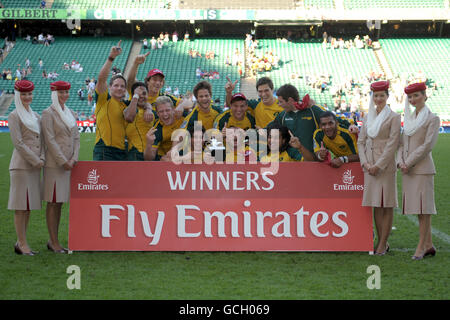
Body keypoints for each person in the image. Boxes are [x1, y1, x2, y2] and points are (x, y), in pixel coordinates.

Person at [357, 80, 401, 255]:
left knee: (386, 204)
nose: (379, 98)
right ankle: (381, 242)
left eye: (382, 95)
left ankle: (383, 243)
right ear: (372, 97)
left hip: (385, 167)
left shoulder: (394, 117)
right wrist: (366, 163)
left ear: (387, 97)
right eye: (376, 95)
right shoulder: (368, 117)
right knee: (376, 204)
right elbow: (361, 142)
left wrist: (378, 165)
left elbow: (393, 144)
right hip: (369, 166)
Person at [398, 82, 440, 260]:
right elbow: (401, 144)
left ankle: (421, 247)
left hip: (422, 169)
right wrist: (400, 161)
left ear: (425, 96)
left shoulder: (432, 118)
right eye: (410, 97)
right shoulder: (408, 119)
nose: (413, 99)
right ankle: (429, 244)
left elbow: (427, 146)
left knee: (424, 211)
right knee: (418, 209)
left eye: (417, 95)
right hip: (408, 170)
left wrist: (408, 161)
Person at [41, 81, 80, 253]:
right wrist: (63, 160)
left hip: (68, 165)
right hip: (55, 165)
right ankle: (54, 241)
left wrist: (73, 159)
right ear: (54, 93)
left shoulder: (70, 112)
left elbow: (77, 139)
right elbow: (49, 140)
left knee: (60, 203)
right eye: (61, 92)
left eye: (66, 92)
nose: (64, 95)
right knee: (53, 202)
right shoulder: (48, 113)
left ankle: (54, 241)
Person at [8, 80, 45, 255]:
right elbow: (18, 143)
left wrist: (42, 158)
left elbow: (42, 140)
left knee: (28, 206)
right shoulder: (14, 115)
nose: (27, 97)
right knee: (20, 206)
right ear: (18, 95)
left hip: (35, 166)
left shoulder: (36, 116)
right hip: (22, 166)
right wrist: (35, 160)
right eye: (23, 94)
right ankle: (22, 244)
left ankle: (20, 242)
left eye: (29, 94)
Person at [268, 84, 357, 154]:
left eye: (280, 102)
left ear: (290, 100)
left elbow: (334, 118)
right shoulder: (283, 115)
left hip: (314, 160)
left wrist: (351, 124)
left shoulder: (313, 110)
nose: (278, 104)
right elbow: (269, 128)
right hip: (294, 160)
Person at [93, 40, 128, 161]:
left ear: (125, 90)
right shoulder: (104, 99)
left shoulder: (126, 106)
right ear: (110, 87)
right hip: (104, 149)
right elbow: (101, 79)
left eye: (122, 86)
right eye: (116, 85)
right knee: (104, 180)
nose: (119, 88)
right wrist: (111, 58)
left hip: (122, 150)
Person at [144, 96, 185, 161]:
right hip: (167, 158)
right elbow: (149, 158)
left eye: (167, 110)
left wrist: (182, 105)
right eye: (161, 111)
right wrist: (148, 144)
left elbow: (192, 103)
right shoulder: (157, 129)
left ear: (173, 109)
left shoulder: (181, 114)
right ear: (157, 113)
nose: (165, 114)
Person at [123, 81, 154, 161]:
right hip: (135, 154)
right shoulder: (129, 109)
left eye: (144, 93)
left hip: (151, 154)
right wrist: (135, 97)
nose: (141, 96)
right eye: (137, 93)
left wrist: (148, 108)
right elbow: (129, 117)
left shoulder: (152, 109)